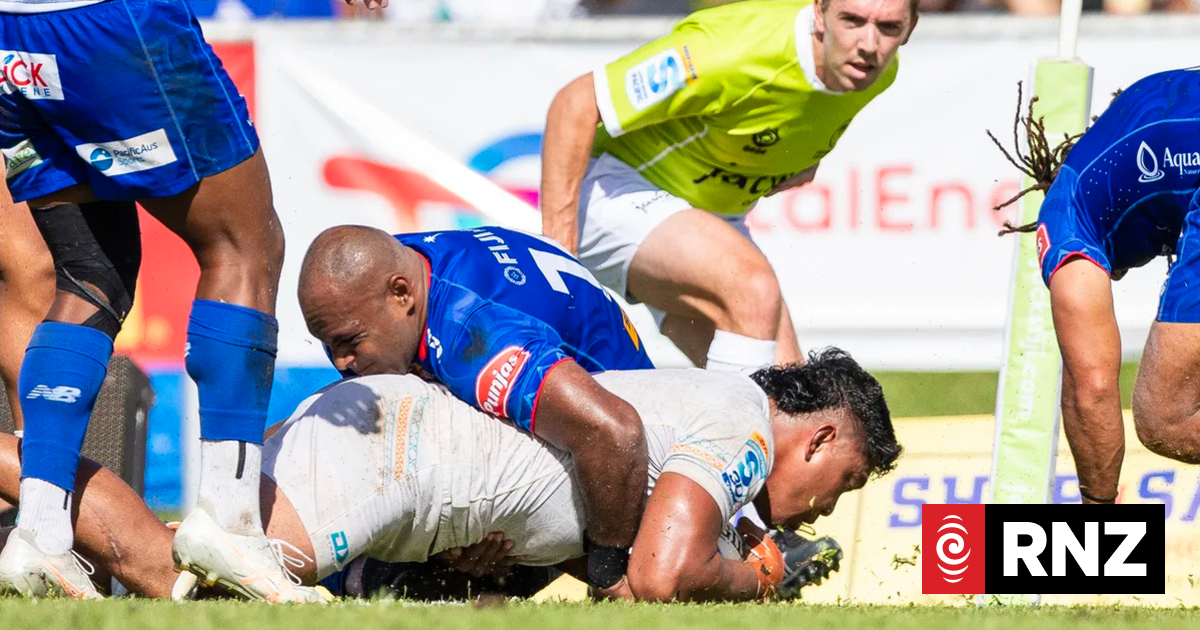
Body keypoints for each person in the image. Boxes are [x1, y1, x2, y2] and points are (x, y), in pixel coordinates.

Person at [0, 349, 901, 602]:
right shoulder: (742, 419)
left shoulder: (709, 407)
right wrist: (760, 575)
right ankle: (24, 482)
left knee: (167, 572)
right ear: (818, 438)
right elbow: (660, 576)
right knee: (184, 586)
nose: (828, 506)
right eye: (847, 481)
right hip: (400, 460)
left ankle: (33, 505)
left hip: (399, 437)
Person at [0, 0, 328, 601]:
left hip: (12, 38)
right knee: (244, 247)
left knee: (88, 276)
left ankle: (39, 536)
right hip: (107, 22)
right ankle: (229, 525)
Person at [539, 0, 918, 373]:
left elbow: (797, 119)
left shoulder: (880, 71)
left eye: (888, 27)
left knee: (792, 403)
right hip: (613, 187)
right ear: (820, 13)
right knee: (753, 289)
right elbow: (575, 103)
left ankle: (731, 434)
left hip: (707, 216)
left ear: (910, 28)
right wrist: (559, 259)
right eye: (852, 20)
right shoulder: (730, 52)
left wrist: (797, 158)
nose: (869, 43)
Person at [298, 225, 655, 594]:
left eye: (350, 341)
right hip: (588, 423)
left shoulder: (469, 334)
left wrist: (607, 574)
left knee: (402, 578)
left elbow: (613, 432)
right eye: (328, 343)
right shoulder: (399, 265)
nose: (341, 361)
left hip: (624, 465)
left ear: (401, 293)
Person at [990, 67, 1200, 504]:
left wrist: (1098, 512)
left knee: (1165, 420)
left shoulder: (1069, 221)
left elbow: (1093, 386)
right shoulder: (1130, 125)